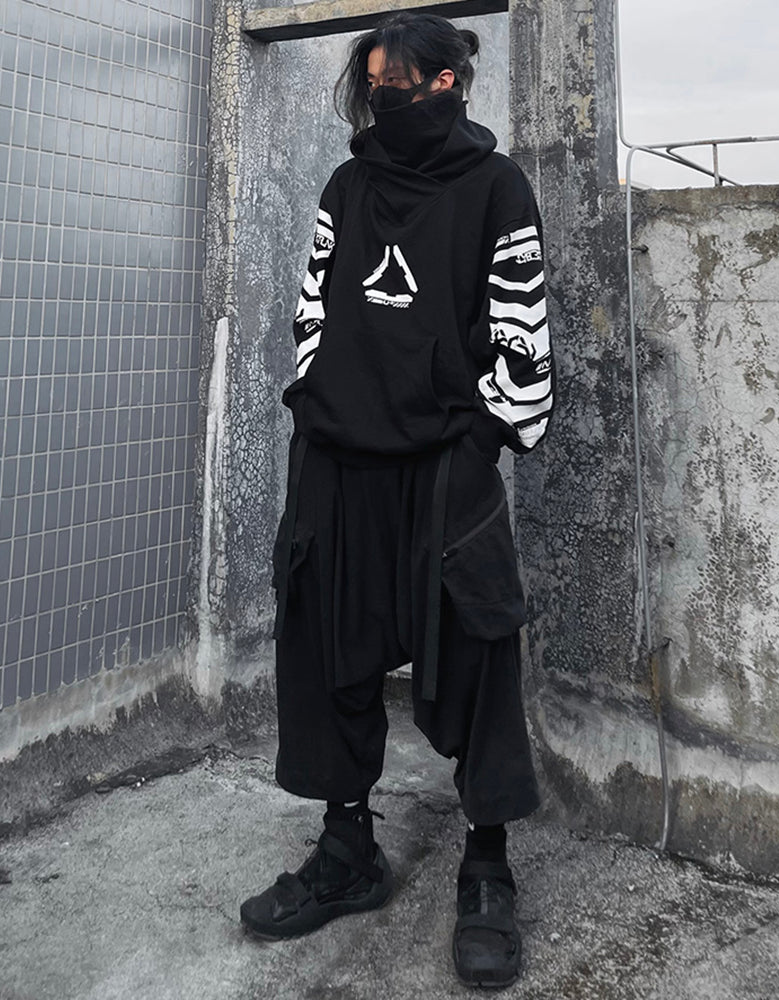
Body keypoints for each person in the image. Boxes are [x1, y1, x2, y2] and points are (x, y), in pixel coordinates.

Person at [240, 12, 554, 988]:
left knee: (478, 653)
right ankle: (348, 850)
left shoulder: (497, 188)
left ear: (449, 83)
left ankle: (487, 865)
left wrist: (481, 441)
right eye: (376, 83)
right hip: (339, 460)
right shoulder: (349, 186)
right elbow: (311, 307)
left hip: (445, 465)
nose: (388, 97)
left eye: (404, 83)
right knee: (326, 648)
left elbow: (523, 335)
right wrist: (313, 402)